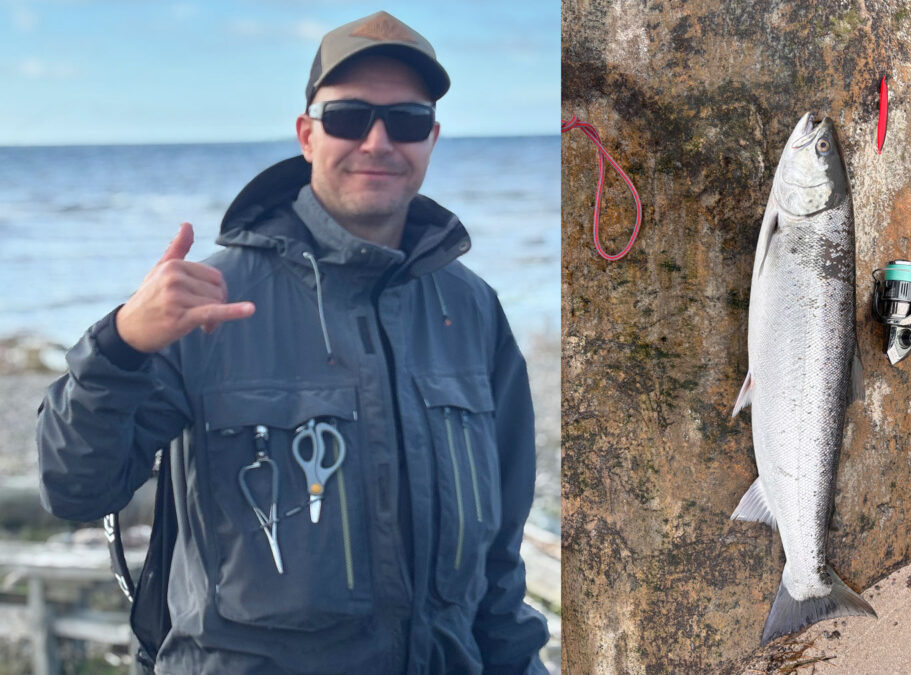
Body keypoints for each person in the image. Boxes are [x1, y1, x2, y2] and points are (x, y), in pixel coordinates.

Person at [36, 11, 549, 674]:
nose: (377, 140)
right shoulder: (210, 300)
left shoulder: (471, 308)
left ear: (432, 138)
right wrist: (120, 345)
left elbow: (499, 562)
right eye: (348, 117)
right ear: (307, 135)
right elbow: (74, 489)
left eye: (407, 120)